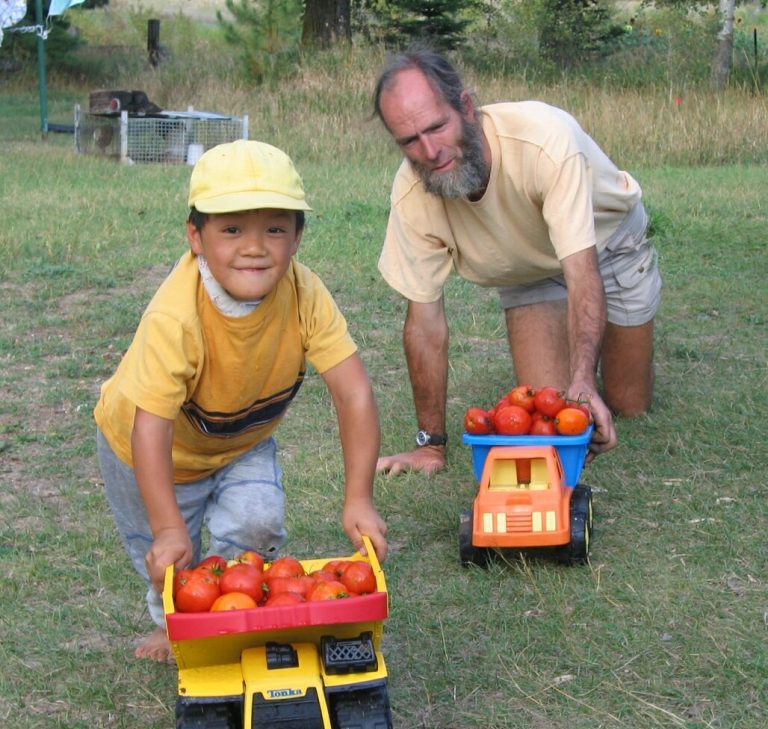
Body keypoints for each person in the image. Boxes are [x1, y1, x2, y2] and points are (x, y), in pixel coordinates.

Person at [94, 140, 387, 663]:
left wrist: (359, 497)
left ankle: (237, 611)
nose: (254, 247)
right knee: (168, 557)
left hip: (239, 441)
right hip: (148, 449)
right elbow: (151, 428)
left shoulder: (306, 294)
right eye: (231, 229)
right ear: (196, 237)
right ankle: (176, 623)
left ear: (297, 238)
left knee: (257, 524)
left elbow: (354, 391)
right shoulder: (176, 317)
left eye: (274, 228)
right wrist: (166, 528)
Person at [372, 48, 663, 475]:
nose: (430, 151)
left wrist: (584, 377)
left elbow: (582, 273)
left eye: (437, 127)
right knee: (552, 414)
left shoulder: (544, 138)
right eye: (410, 141)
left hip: (606, 245)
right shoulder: (411, 193)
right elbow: (425, 322)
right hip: (527, 271)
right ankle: (583, 349)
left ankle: (622, 336)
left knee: (627, 404)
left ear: (466, 107)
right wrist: (431, 444)